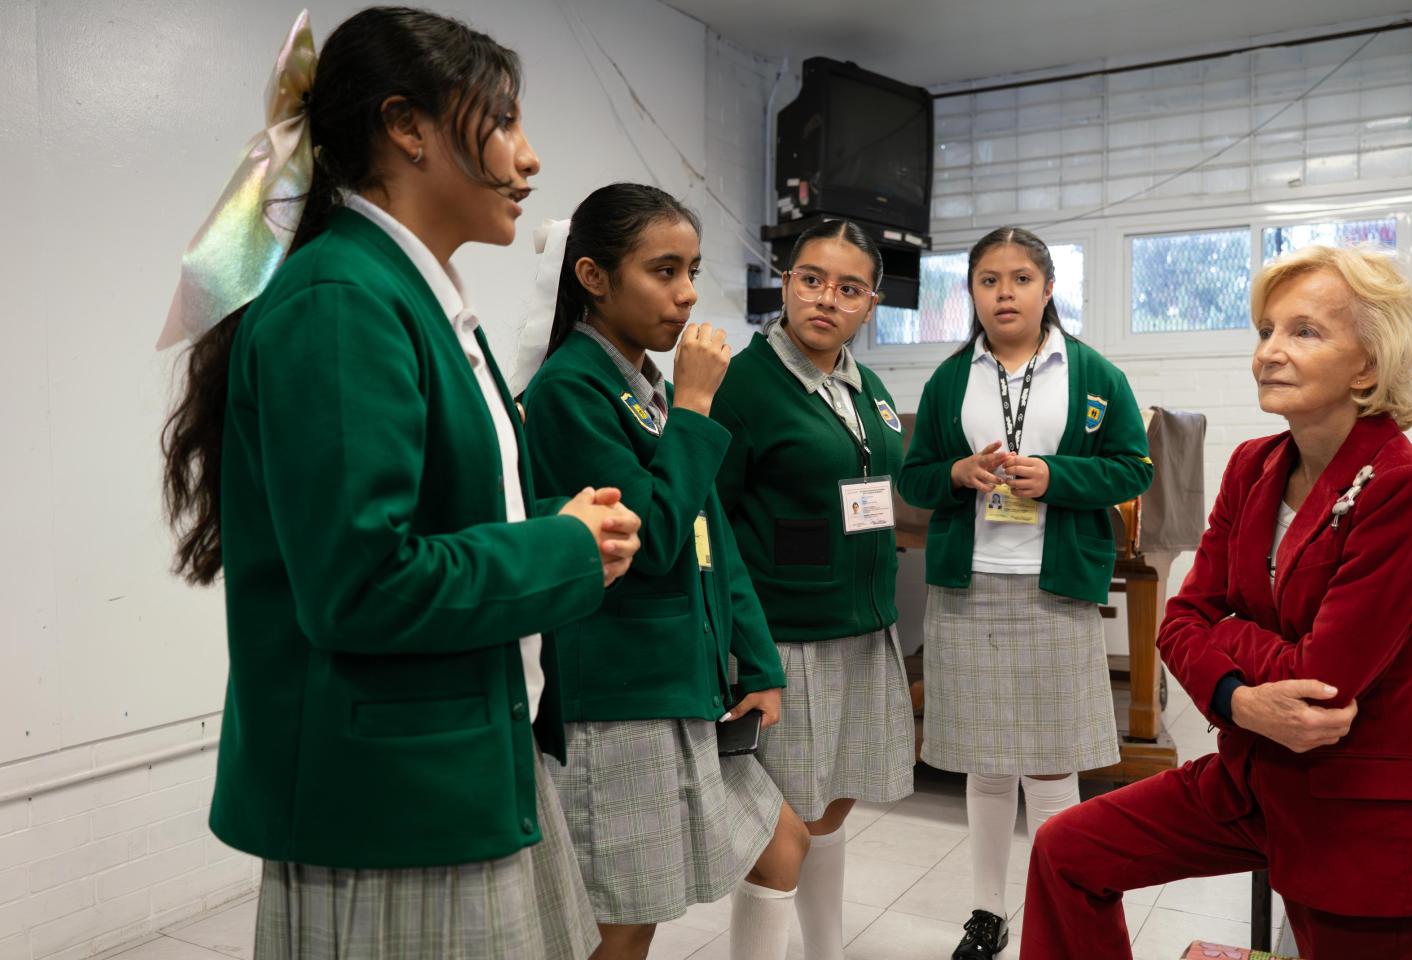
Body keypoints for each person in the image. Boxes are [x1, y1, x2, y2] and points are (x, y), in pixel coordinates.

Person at [158, 9, 640, 958]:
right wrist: (559, 550)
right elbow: (363, 585)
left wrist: (555, 525)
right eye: (503, 122)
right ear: (408, 127)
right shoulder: (344, 299)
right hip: (389, 796)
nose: (530, 159)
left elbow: (437, 518)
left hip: (453, 758)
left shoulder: (405, 292)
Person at [1021, 244, 1412, 960]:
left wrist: (1228, 634)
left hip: (1358, 809)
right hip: (1251, 776)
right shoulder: (1254, 464)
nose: (1269, 351)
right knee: (1068, 851)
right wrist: (1237, 699)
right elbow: (1179, 621)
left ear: (1368, 364)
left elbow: (1326, 677)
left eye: (1304, 332)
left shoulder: (1405, 487)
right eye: (1266, 329)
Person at [517, 183, 808, 960]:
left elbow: (715, 539)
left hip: (687, 677)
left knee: (782, 844)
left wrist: (760, 659)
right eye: (663, 270)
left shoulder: (647, 388)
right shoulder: (569, 390)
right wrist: (696, 406)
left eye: (692, 270)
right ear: (593, 277)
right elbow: (651, 541)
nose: (685, 296)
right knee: (624, 919)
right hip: (620, 693)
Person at [897, 226, 1153, 960]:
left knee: (1050, 761)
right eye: (987, 280)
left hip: (1054, 589)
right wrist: (954, 475)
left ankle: (1056, 911)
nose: (1003, 293)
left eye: (1018, 279)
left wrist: (1057, 477)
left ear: (1047, 289)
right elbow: (914, 480)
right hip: (969, 587)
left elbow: (1134, 467)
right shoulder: (953, 379)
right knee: (985, 761)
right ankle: (986, 914)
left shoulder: (1095, 374)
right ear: (971, 292)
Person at [710, 219, 916, 959]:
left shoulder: (869, 387)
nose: (826, 299)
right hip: (786, 637)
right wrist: (739, 645)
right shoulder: (741, 383)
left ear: (871, 304)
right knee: (782, 833)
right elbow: (711, 520)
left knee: (831, 810)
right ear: (788, 283)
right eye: (811, 280)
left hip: (864, 629)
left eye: (849, 288)